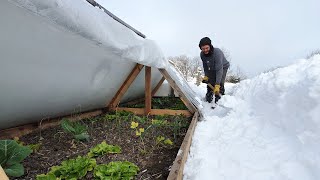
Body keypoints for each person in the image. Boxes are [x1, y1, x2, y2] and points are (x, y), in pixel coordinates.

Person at [199, 37, 230, 103]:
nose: (205, 50)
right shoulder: (202, 54)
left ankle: (220, 97)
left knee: (219, 82)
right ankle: (209, 96)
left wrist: (217, 84)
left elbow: (219, 70)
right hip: (212, 67)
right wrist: (206, 76)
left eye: (207, 48)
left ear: (210, 46)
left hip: (223, 67)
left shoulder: (217, 53)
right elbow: (205, 66)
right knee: (210, 81)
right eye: (203, 49)